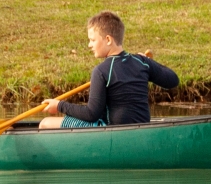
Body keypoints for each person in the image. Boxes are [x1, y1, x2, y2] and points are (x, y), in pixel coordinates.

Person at [39, 11, 178, 128]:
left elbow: (91, 114)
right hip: (142, 129)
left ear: (108, 39)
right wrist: (149, 62)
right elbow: (173, 80)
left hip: (112, 132)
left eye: (92, 40)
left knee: (45, 123)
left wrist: (59, 106)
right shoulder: (141, 62)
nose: (89, 45)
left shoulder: (101, 71)